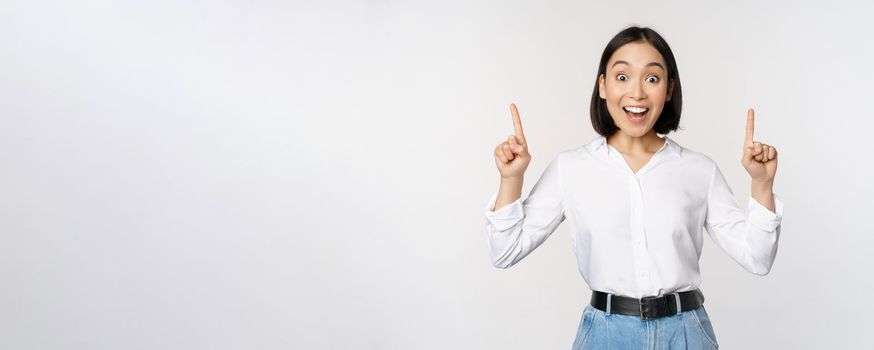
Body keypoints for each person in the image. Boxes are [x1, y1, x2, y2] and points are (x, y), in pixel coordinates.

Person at [484, 26, 783, 349]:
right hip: (605, 336)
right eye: (622, 77)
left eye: (652, 79)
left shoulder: (698, 170)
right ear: (602, 86)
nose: (637, 93)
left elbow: (758, 258)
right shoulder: (570, 168)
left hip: (685, 335)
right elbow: (505, 251)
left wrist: (762, 184)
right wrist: (511, 180)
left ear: (669, 89)